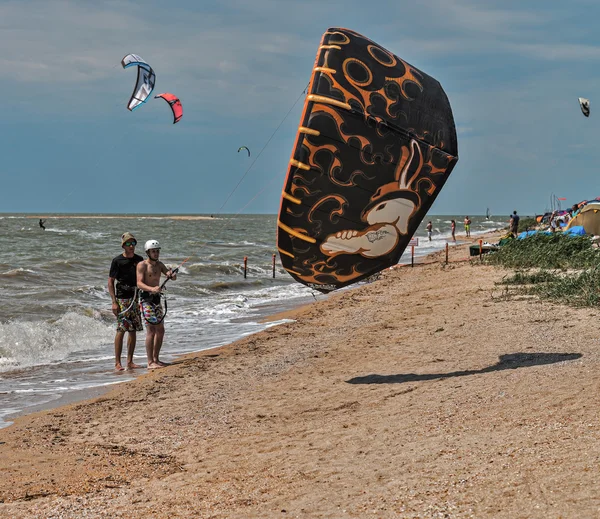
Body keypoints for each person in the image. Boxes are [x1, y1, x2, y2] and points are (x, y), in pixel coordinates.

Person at [137, 239, 177, 369]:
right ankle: (150, 362)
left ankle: (156, 359)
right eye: (153, 251)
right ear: (148, 252)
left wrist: (172, 274)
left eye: (157, 251)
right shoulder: (142, 265)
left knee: (160, 330)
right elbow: (139, 283)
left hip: (157, 300)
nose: (156, 253)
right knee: (151, 330)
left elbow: (170, 275)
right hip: (146, 300)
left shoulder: (159, 265)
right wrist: (152, 289)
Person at [108, 232, 144, 371]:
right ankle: (117, 362)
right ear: (123, 246)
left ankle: (130, 361)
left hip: (135, 297)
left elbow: (145, 275)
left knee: (133, 330)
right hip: (122, 298)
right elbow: (110, 282)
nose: (131, 246)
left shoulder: (139, 259)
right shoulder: (117, 261)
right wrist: (114, 301)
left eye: (133, 243)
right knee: (121, 329)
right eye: (128, 244)